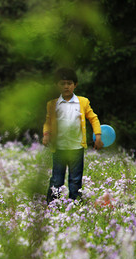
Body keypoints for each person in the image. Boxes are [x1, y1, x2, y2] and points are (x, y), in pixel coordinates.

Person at [43, 67, 103, 204]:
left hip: (76, 148)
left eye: (69, 83)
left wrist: (98, 135)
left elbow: (93, 118)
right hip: (59, 148)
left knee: (75, 179)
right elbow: (48, 123)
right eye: (62, 83)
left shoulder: (83, 102)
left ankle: (75, 204)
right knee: (57, 179)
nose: (66, 86)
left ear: (75, 85)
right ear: (57, 86)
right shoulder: (52, 104)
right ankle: (52, 204)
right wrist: (46, 135)